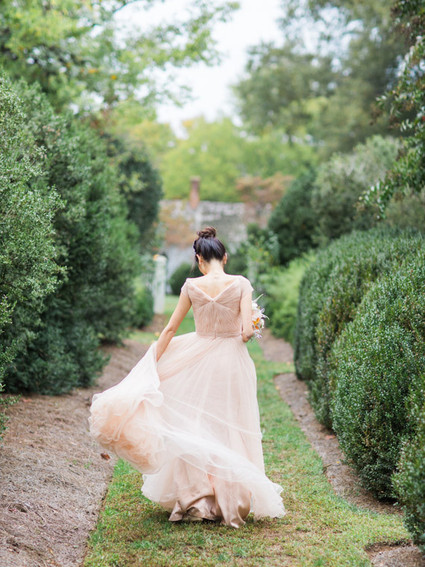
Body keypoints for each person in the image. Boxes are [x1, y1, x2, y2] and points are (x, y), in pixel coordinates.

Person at [89, 227, 285, 528]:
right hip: (232, 362)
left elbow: (169, 329)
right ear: (225, 257)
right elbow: (246, 332)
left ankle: (197, 499)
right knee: (230, 423)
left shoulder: (191, 286)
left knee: (195, 423)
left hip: (198, 358)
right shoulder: (241, 284)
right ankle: (230, 501)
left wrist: (151, 363)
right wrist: (251, 322)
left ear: (199, 259)